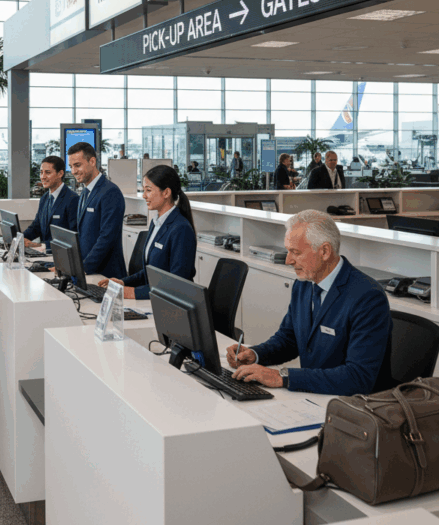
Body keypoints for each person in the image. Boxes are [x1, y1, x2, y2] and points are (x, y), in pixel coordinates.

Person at [227, 210, 392, 396]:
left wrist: (283, 377)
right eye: (288, 251)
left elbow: (358, 377)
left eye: (295, 252)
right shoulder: (304, 284)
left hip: (351, 404)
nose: (288, 260)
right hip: (312, 396)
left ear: (324, 251)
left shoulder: (368, 297)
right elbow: (289, 339)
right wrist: (255, 354)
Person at [99, 165, 196, 299]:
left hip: (174, 304)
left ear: (166, 193)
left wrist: (133, 292)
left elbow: (177, 284)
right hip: (154, 298)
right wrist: (123, 282)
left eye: (148, 190)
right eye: (143, 190)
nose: (144, 195)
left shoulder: (181, 229)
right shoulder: (155, 223)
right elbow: (148, 272)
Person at [67, 142, 127, 279]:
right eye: (71, 166)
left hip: (106, 275)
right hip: (88, 273)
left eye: (77, 165)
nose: (73, 171)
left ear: (92, 161)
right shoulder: (85, 192)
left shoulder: (110, 192)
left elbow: (107, 237)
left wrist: (83, 269)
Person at [23, 156, 78, 251]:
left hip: (61, 255)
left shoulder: (73, 199)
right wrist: (20, 239)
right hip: (44, 255)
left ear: (60, 173)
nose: (43, 177)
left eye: (48, 172)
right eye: (41, 172)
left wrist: (41, 246)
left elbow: (73, 236)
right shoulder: (44, 198)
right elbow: (36, 227)